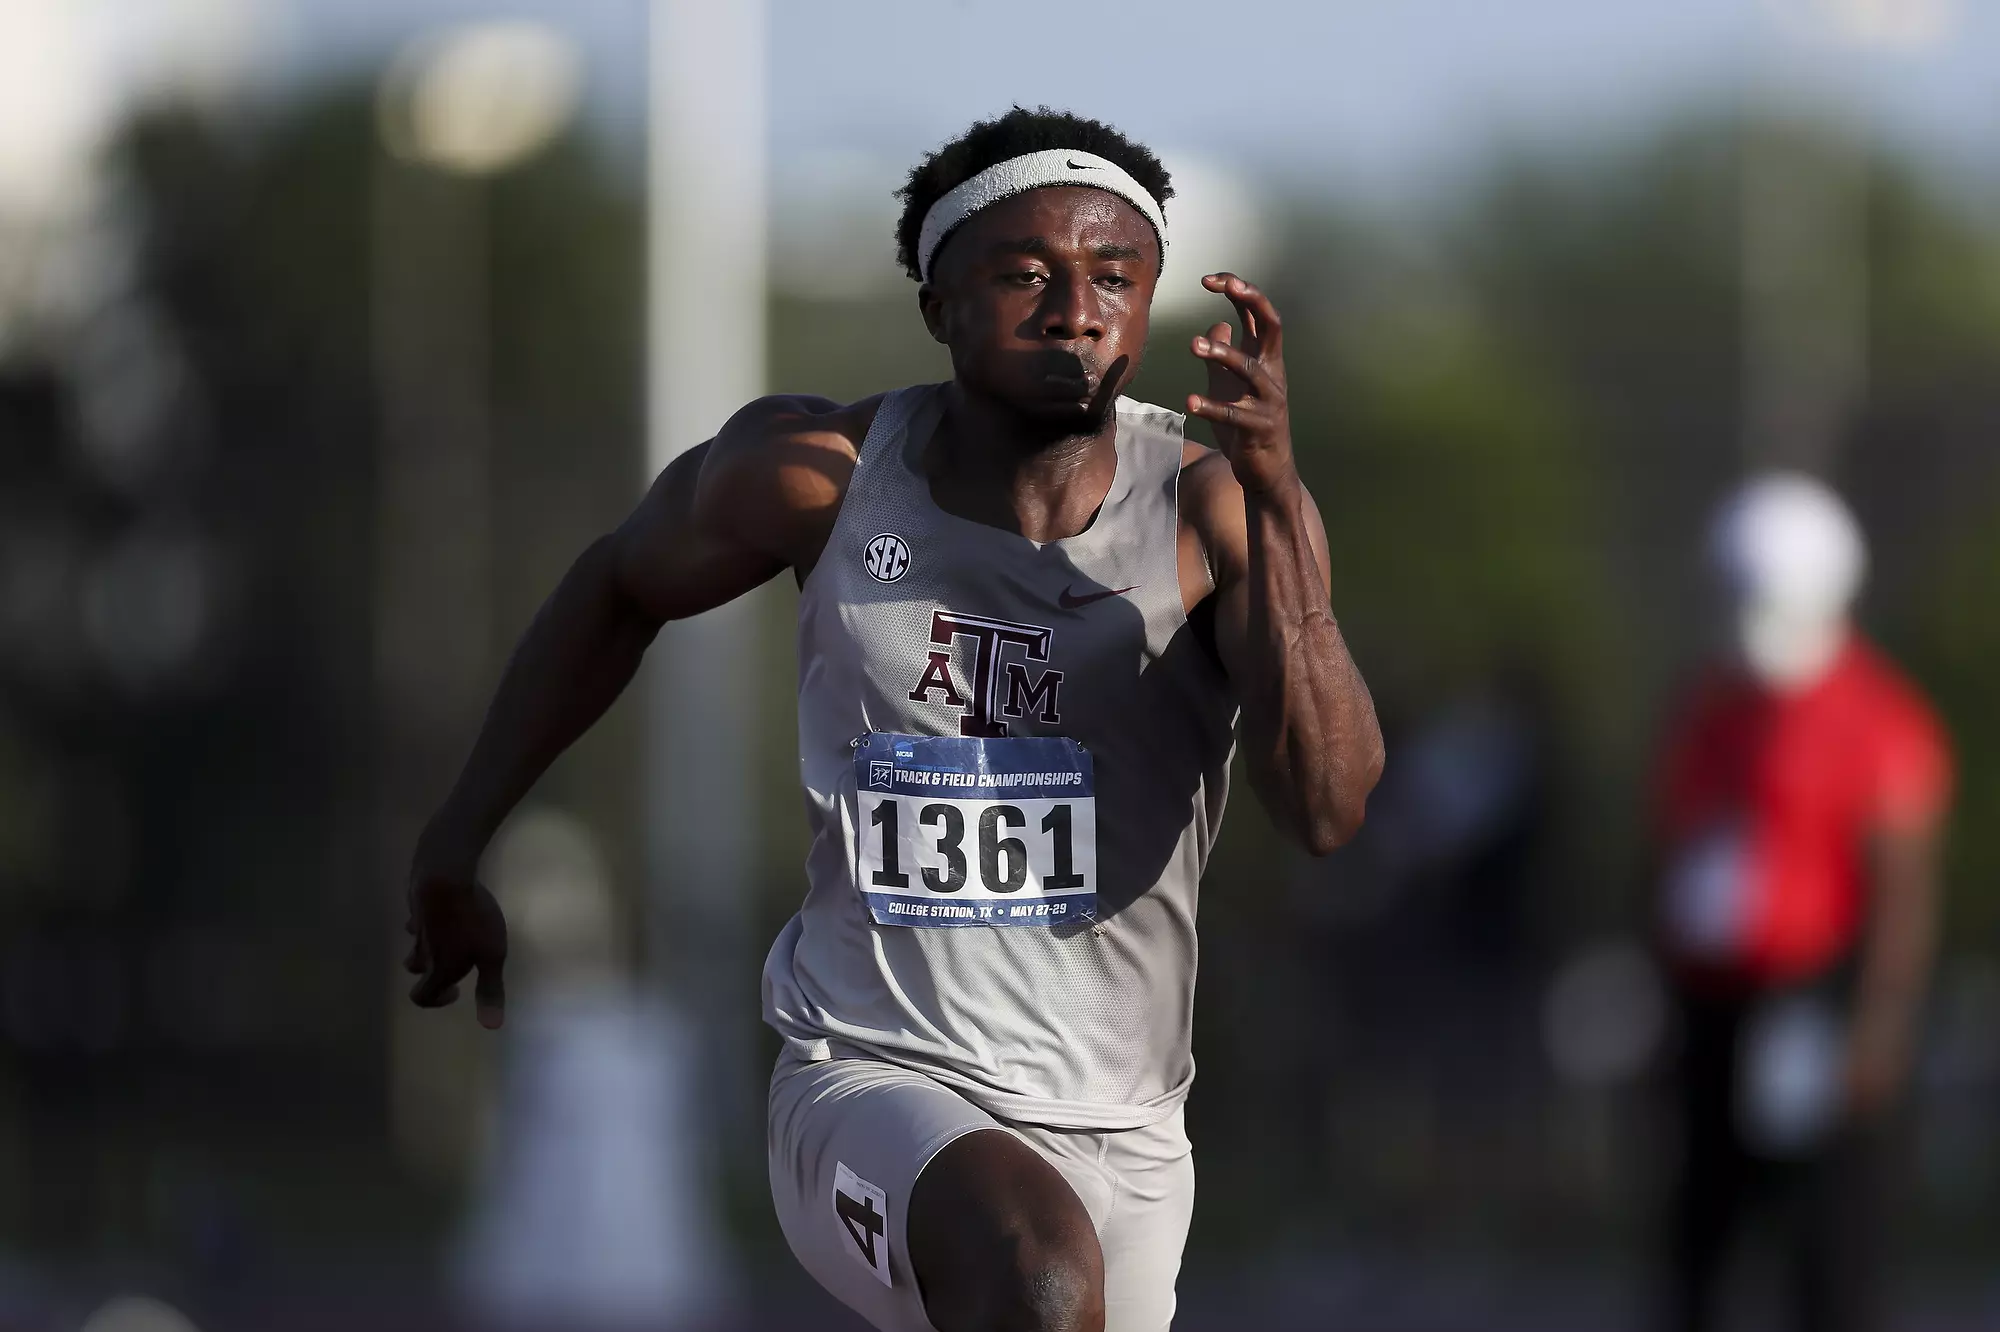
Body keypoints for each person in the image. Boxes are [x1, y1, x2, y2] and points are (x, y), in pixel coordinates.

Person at [401, 106, 1384, 1332]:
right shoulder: (814, 473)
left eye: (1115, 277)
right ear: (938, 303)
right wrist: (458, 837)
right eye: (1026, 274)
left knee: (1052, 1279)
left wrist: (1282, 500)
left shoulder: (1212, 512)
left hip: (1122, 1129)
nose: (1075, 308)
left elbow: (1329, 805)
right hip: (868, 1079)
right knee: (1034, 1275)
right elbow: (616, 587)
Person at [1653, 474, 1952, 1332]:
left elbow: (1902, 890)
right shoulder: (1712, 709)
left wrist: (1877, 1026)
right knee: (1699, 1243)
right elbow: (1672, 846)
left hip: (1819, 1009)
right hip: (1715, 1001)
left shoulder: (1880, 719)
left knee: (1830, 1250)